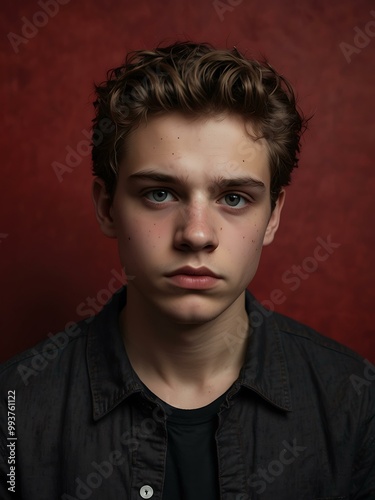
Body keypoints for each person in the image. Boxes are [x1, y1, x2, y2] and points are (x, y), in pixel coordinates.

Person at [0, 41, 374, 500]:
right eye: (160, 193)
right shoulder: (14, 407)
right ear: (106, 207)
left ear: (273, 216)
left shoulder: (354, 401)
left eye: (234, 198)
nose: (197, 235)